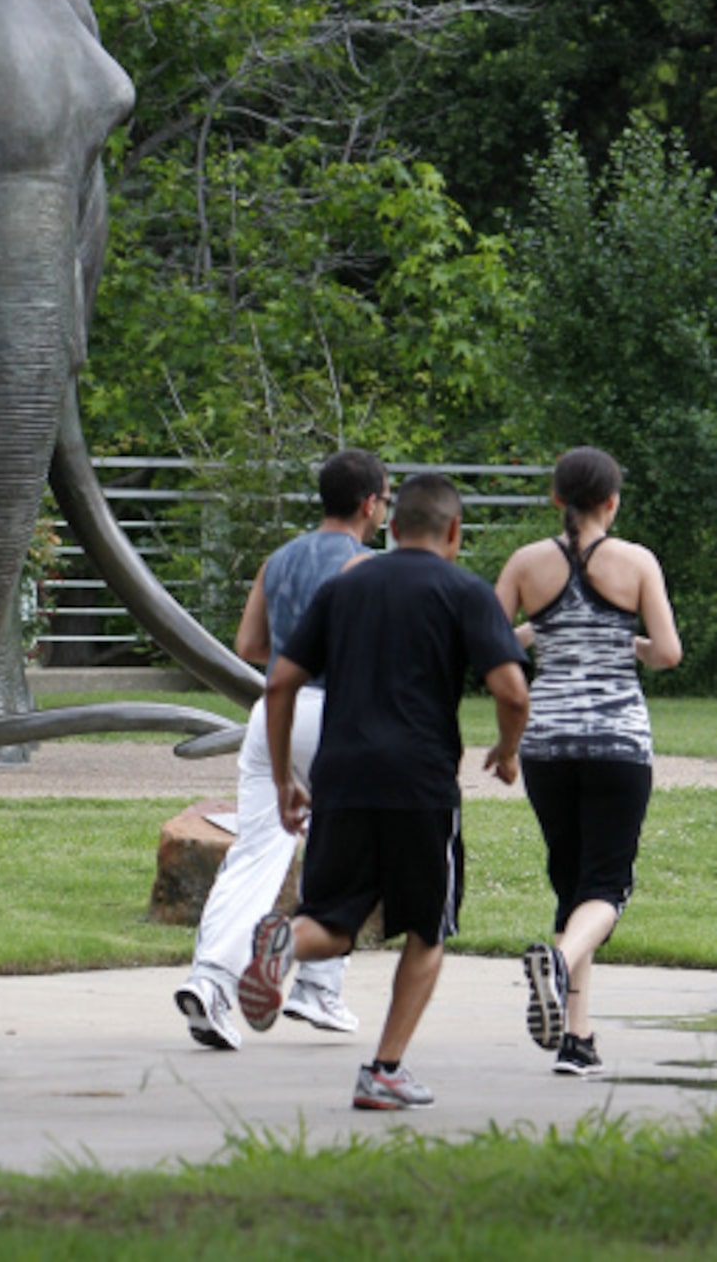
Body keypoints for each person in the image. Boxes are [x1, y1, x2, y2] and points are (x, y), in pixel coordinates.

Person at [238, 471, 529, 1110]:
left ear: (391, 527)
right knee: (428, 930)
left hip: (340, 778)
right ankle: (385, 1071)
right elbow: (511, 691)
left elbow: (280, 681)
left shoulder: (346, 586)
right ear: (454, 531)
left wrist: (287, 774)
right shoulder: (465, 591)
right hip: (419, 785)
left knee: (333, 922)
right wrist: (507, 754)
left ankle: (284, 942)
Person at [174, 449, 390, 1051]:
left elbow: (249, 642)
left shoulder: (280, 559)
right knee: (354, 851)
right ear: (371, 502)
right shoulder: (367, 568)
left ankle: (210, 982)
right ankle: (317, 984)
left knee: (257, 851)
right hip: (336, 713)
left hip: (272, 712)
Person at [494, 447, 682, 1077]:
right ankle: (555, 961)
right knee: (607, 887)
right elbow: (669, 654)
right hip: (617, 745)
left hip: (547, 745)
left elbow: (488, 645)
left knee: (573, 886)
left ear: (556, 499)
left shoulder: (526, 563)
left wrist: (536, 634)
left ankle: (577, 1038)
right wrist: (624, 640)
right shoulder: (636, 562)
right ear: (612, 501)